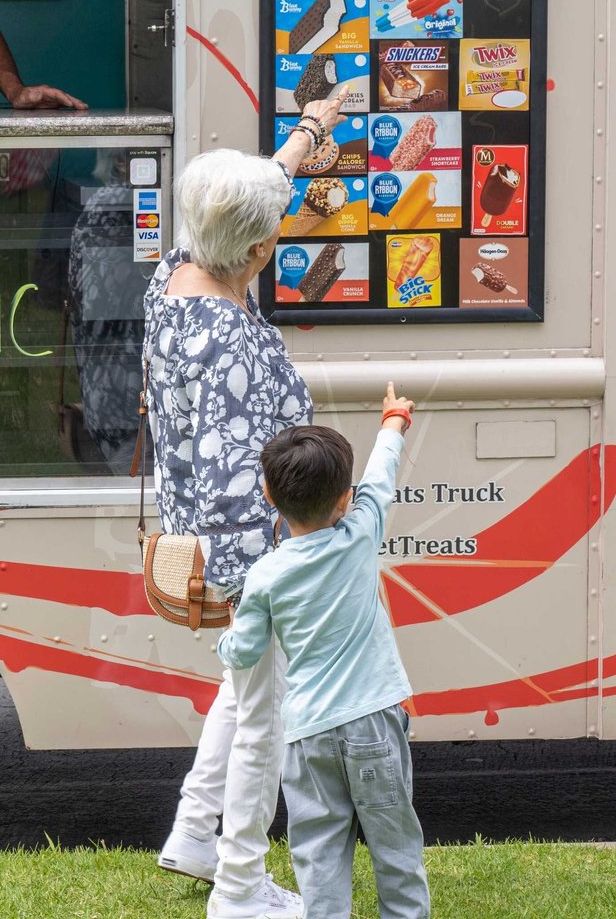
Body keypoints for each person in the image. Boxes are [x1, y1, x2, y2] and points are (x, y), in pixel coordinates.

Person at [147, 85, 350, 919]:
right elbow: (239, 486)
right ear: (260, 253)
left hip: (214, 541)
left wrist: (309, 132)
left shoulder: (178, 275)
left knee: (242, 693)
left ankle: (196, 832)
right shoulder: (228, 339)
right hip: (249, 559)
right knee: (263, 716)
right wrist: (267, 585)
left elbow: (245, 194)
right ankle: (238, 887)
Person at [219, 386, 431, 919]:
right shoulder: (360, 533)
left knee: (319, 852)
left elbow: (242, 653)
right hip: (373, 724)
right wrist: (392, 422)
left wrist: (227, 628)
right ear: (344, 499)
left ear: (268, 494)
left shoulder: (264, 575)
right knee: (395, 845)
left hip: (308, 733)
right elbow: (381, 479)